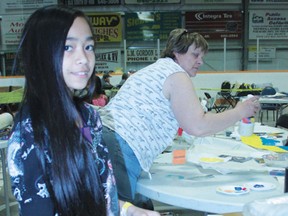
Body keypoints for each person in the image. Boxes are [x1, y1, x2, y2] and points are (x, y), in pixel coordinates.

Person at [6, 5, 160, 216]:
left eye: (88, 47)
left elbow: (101, 187)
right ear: (41, 54)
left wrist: (128, 210)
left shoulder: (89, 116)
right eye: (68, 47)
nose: (84, 59)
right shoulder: (30, 133)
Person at [98, 29, 260, 208]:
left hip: (103, 140)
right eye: (195, 54)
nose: (200, 61)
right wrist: (239, 112)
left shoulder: (153, 70)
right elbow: (198, 126)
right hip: (119, 146)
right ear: (176, 52)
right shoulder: (176, 75)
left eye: (202, 56)